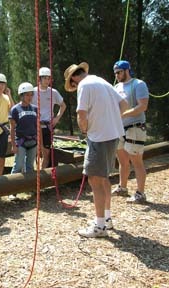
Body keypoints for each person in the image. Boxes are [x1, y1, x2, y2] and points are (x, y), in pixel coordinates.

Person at [64, 62, 128, 238]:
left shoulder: (84, 86)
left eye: (73, 84)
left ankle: (100, 226)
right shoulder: (103, 81)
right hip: (113, 135)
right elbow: (124, 105)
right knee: (104, 178)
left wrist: (85, 129)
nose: (75, 86)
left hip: (99, 137)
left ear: (74, 78)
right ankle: (106, 218)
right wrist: (110, 120)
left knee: (95, 180)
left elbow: (81, 114)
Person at [111, 60, 149, 203]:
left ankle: (140, 193)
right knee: (122, 160)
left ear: (127, 70)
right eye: (115, 73)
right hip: (120, 128)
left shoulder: (138, 84)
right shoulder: (116, 87)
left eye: (119, 72)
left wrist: (122, 114)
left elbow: (142, 106)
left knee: (136, 161)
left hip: (135, 127)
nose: (117, 75)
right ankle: (123, 187)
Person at [32, 67, 66, 168]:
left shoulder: (53, 92)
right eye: (45, 78)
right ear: (40, 79)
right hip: (35, 126)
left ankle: (43, 176)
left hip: (47, 126)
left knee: (46, 153)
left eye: (49, 78)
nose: (47, 81)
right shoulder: (33, 92)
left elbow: (63, 105)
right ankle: (32, 175)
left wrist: (57, 118)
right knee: (34, 152)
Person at [9, 82, 38, 200]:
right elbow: (12, 128)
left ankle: (29, 187)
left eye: (31, 95)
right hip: (20, 141)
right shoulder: (15, 109)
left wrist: (39, 143)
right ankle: (12, 191)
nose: (30, 97)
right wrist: (13, 145)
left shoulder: (35, 108)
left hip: (33, 141)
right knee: (18, 166)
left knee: (30, 166)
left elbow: (37, 126)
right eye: (27, 95)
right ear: (21, 96)